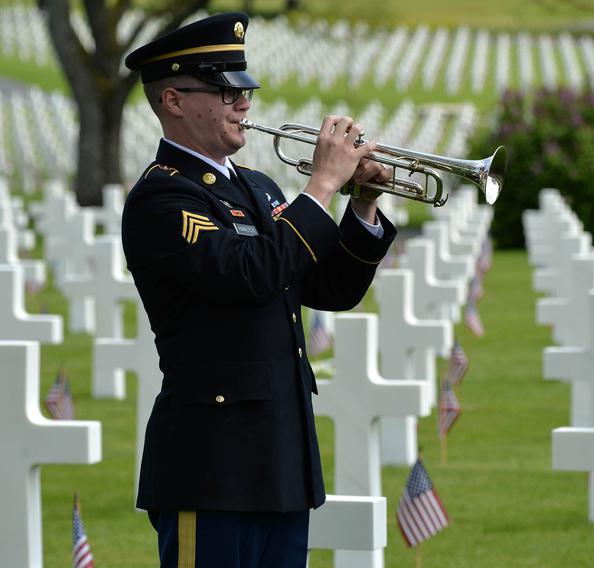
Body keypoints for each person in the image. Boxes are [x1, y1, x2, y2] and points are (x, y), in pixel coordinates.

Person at [122, 12, 397, 567]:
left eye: (245, 90)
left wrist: (360, 203)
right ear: (173, 100)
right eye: (226, 92)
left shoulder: (259, 185)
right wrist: (321, 185)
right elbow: (250, 275)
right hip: (211, 470)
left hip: (281, 463)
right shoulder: (161, 200)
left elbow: (330, 288)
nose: (243, 104)